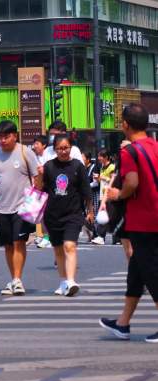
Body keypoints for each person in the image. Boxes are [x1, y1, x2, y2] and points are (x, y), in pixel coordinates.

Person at [100, 103, 158, 344]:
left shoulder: (129, 151)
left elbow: (132, 182)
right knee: (136, 272)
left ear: (125, 124)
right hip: (153, 217)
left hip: (143, 220)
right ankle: (123, 323)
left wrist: (118, 195)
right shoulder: (155, 146)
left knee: (152, 273)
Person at [0, 120, 38, 296]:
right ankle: (14, 280)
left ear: (15, 136)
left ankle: (18, 280)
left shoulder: (25, 152)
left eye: (7, 137)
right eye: (0, 137)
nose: (3, 140)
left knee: (19, 242)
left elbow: (36, 177)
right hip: (2, 208)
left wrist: (36, 200)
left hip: (22, 207)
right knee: (7, 246)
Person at [39, 134, 93, 297]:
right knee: (58, 250)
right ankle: (63, 282)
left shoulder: (78, 166)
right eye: (60, 149)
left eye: (66, 148)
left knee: (69, 246)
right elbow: (40, 189)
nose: (63, 151)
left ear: (71, 148)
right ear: (54, 150)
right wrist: (40, 175)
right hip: (52, 215)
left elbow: (86, 191)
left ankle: (70, 281)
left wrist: (90, 211)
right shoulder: (48, 166)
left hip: (73, 214)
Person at [92, 149, 115, 245]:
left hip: (110, 195)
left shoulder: (112, 167)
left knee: (107, 216)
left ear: (106, 157)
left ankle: (101, 236)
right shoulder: (102, 167)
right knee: (105, 216)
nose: (99, 158)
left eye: (100, 156)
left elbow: (113, 180)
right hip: (103, 195)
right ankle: (102, 236)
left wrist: (101, 178)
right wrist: (97, 179)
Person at [31, 136, 50, 248]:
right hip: (39, 190)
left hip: (50, 190)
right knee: (42, 216)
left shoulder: (49, 156)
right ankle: (45, 237)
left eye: (37, 143)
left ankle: (49, 237)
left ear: (44, 145)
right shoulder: (34, 158)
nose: (35, 146)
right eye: (34, 144)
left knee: (49, 215)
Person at [81, 151, 100, 243]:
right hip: (85, 195)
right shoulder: (83, 168)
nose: (81, 160)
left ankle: (97, 234)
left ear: (88, 159)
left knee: (94, 214)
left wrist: (85, 186)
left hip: (94, 194)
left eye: (83, 158)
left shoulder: (94, 167)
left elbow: (96, 182)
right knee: (85, 215)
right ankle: (91, 234)